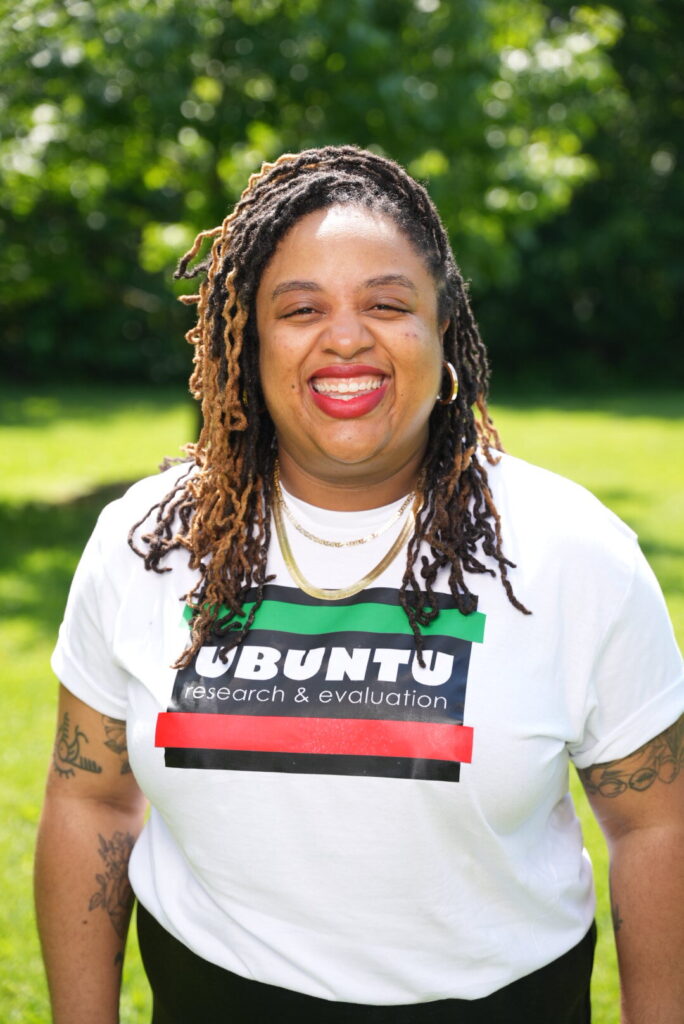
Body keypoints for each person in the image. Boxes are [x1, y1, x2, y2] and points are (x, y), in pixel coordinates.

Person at [35, 146, 683, 1024]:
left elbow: (656, 825)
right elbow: (91, 800)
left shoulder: (573, 551)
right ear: (248, 340)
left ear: (443, 328)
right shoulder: (149, 541)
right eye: (300, 309)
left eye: (386, 304)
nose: (345, 338)